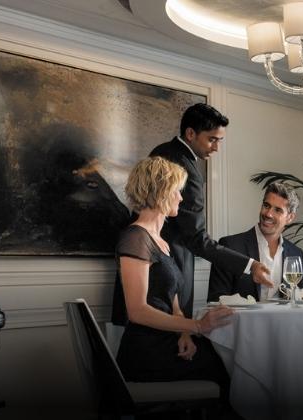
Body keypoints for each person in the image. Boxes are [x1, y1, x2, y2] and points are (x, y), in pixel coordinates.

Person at [112, 103, 272, 325]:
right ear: (190, 133)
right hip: (163, 282)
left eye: (219, 141)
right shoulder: (187, 171)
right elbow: (196, 238)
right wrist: (250, 265)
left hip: (156, 281)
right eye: (212, 139)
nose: (216, 147)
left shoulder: (161, 152)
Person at [114, 156, 232, 390]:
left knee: (224, 361)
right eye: (177, 190)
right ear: (161, 192)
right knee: (225, 368)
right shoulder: (135, 238)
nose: (181, 197)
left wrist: (184, 334)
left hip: (167, 340)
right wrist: (197, 326)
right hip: (147, 353)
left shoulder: (161, 242)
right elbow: (137, 312)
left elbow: (174, 304)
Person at [208, 182, 303, 302]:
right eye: (266, 205)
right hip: (242, 321)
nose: (268, 214)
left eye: (278, 210)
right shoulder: (229, 246)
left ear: (290, 218)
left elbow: (299, 301)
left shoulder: (296, 254)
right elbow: (215, 301)